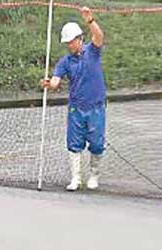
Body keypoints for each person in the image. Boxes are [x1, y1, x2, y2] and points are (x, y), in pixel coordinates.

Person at [43, 6, 106, 191]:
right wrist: (49, 84)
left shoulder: (92, 52)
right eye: (67, 42)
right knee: (74, 143)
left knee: (96, 142)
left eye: (72, 41)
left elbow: (99, 37)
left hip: (96, 106)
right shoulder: (65, 62)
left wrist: (90, 20)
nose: (69, 45)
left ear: (80, 39)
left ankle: (94, 175)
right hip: (76, 108)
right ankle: (75, 178)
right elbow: (55, 81)